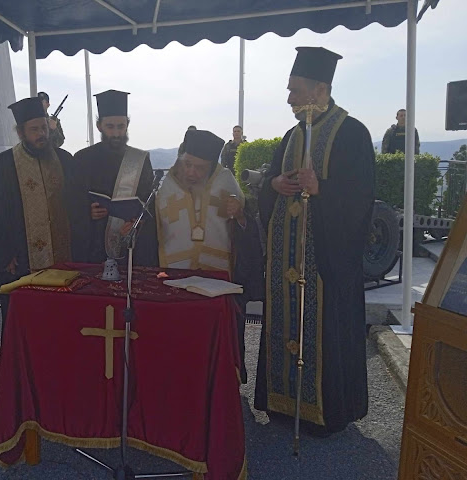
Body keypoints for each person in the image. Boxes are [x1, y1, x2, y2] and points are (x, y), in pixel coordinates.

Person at [254, 47, 375, 436]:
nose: (288, 97)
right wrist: (274, 184)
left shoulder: (353, 133)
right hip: (285, 264)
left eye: (295, 89)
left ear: (320, 88)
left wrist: (322, 188)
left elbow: (362, 198)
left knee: (326, 333)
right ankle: (282, 402)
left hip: (326, 264)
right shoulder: (292, 136)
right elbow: (269, 182)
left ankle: (327, 413)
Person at [156, 129, 265, 382]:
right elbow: (154, 228)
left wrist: (239, 214)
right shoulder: (167, 183)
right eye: (188, 165)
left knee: (217, 338)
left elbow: (246, 227)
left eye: (199, 168)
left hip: (219, 275)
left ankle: (223, 384)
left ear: (212, 166)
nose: (191, 172)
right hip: (175, 273)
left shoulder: (226, 179)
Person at [0, 97, 75, 327]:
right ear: (21, 133)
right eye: (34, 130)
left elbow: (76, 207)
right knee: (26, 322)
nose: (41, 134)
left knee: (63, 320)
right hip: (21, 261)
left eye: (44, 128)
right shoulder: (4, 166)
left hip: (64, 261)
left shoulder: (64, 160)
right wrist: (4, 255)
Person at [71, 89, 158, 266]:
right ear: (99, 126)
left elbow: (149, 202)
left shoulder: (140, 159)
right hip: (92, 242)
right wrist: (86, 211)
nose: (117, 133)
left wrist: (136, 222)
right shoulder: (82, 159)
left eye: (121, 126)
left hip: (129, 242)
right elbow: (70, 199)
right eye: (110, 127)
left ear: (127, 125)